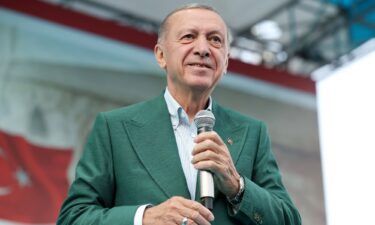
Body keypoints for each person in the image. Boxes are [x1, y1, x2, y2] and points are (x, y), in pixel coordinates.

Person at [57, 3, 301, 225]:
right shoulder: (114, 128)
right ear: (161, 55)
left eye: (215, 40)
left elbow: (289, 221)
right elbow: (73, 218)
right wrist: (144, 217)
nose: (203, 49)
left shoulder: (252, 132)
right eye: (189, 37)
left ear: (225, 62)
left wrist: (238, 186)